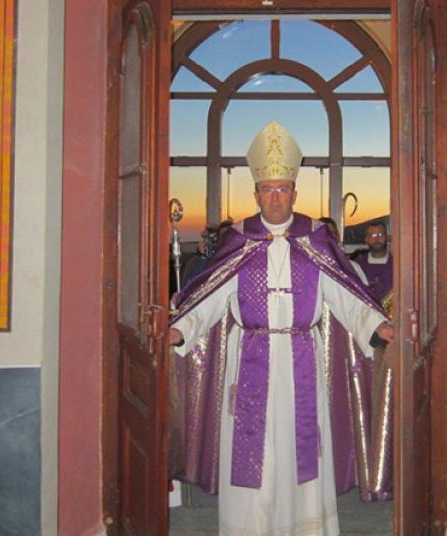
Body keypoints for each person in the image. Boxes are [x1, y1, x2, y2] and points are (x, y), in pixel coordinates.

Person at [168, 121, 394, 535]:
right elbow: (211, 296)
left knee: (298, 450)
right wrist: (181, 329)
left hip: (301, 358)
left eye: (282, 189)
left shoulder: (316, 240)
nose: (275, 197)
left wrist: (378, 326)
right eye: (267, 190)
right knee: (251, 452)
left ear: (294, 193)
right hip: (249, 359)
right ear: (256, 194)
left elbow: (344, 293)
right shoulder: (240, 241)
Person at [350, 222, 393, 307]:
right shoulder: (357, 267)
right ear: (366, 239)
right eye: (372, 235)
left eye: (380, 234)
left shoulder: (397, 266)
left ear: (387, 237)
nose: (377, 239)